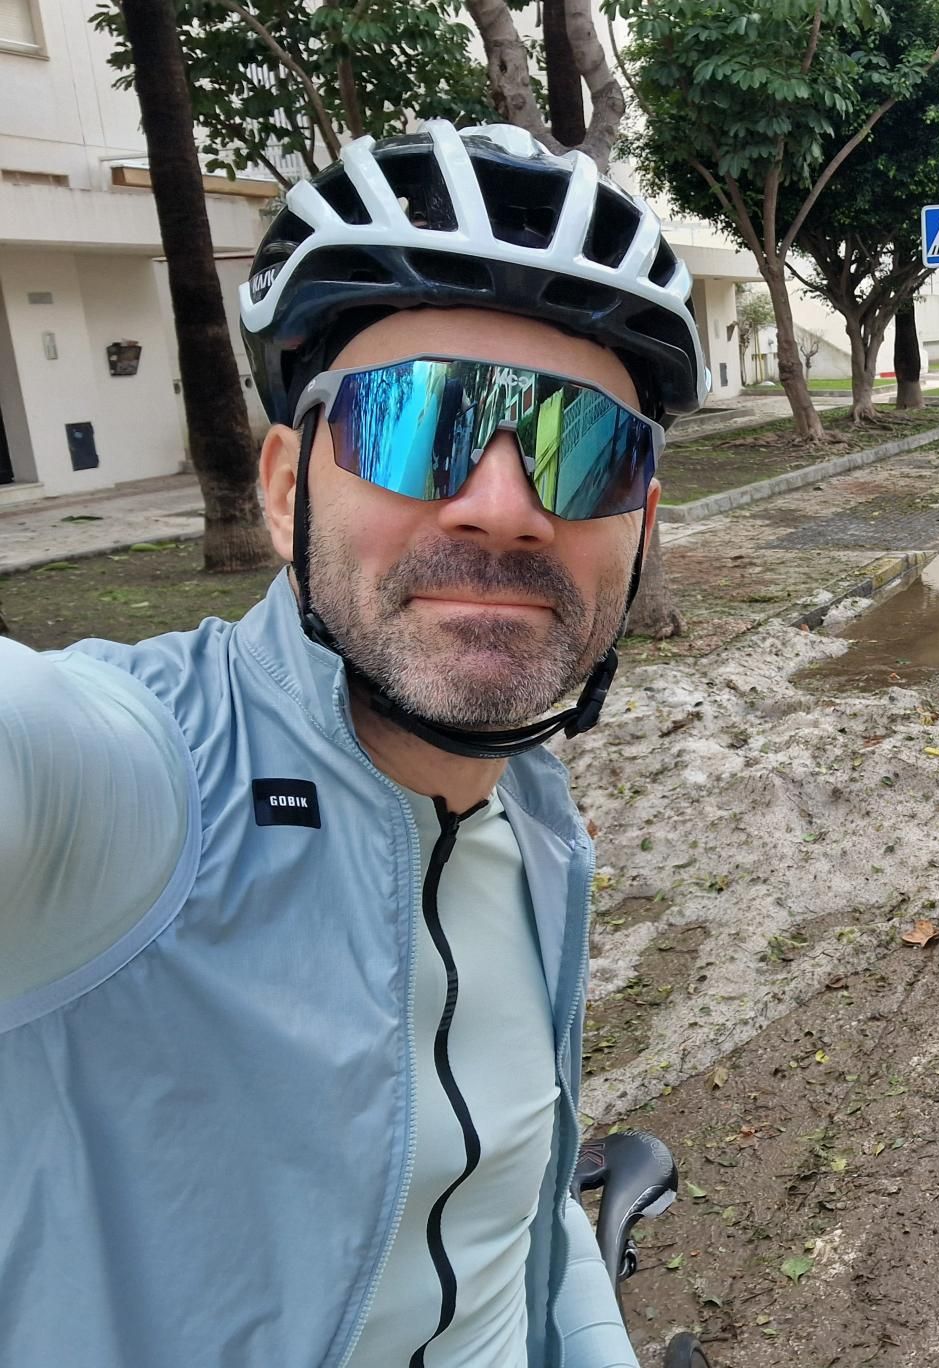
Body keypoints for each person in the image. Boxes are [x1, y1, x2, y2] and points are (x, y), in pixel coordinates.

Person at [0, 122, 706, 1367]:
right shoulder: (128, 788)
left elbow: (520, 1208)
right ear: (286, 490)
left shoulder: (534, 818)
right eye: (415, 423)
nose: (502, 506)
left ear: (640, 526)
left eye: (582, 449)